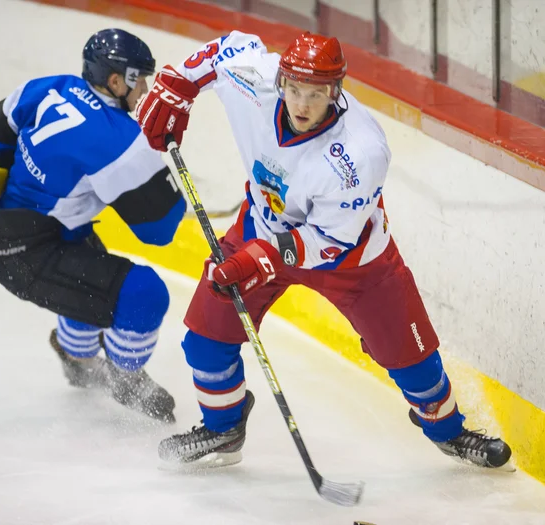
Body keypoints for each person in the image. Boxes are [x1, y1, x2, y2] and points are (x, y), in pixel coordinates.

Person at [135, 30, 512, 468]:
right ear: (280, 80)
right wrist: (178, 85)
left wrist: (261, 259)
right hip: (260, 228)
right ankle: (223, 429)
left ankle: (449, 431)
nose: (301, 104)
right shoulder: (254, 80)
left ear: (335, 91)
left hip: (352, 258)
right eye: (293, 89)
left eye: (315, 94)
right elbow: (226, 47)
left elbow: (330, 241)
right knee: (206, 336)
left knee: (410, 357)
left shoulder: (360, 152)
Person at [0, 28, 187, 423]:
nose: (146, 92)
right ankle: (124, 376)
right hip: (27, 252)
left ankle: (76, 357)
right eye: (142, 80)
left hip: (3, 222)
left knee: (91, 272)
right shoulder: (121, 140)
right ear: (117, 80)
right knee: (144, 294)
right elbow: (158, 231)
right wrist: (153, 164)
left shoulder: (50, 86)